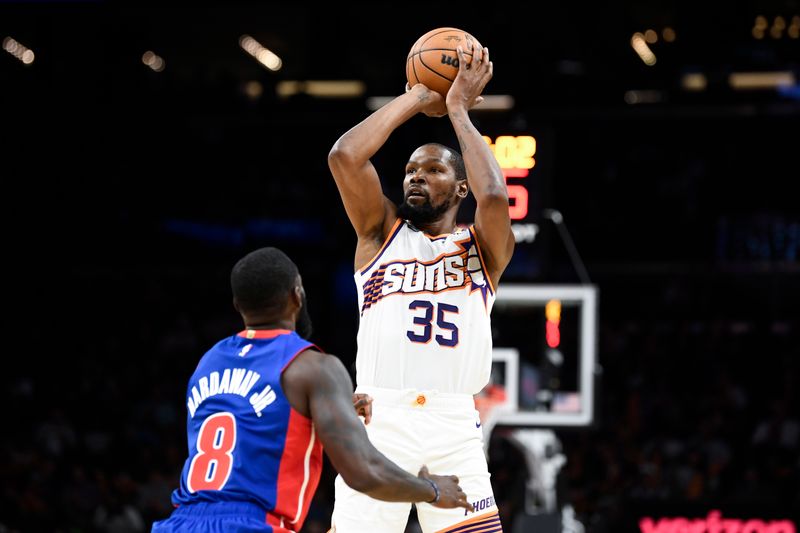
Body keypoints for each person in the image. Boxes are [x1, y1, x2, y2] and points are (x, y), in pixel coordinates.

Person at [151, 247, 473, 532]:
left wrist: (322, 407)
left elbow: (246, 419)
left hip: (180, 522)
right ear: (297, 295)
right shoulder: (314, 368)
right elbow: (363, 471)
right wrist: (431, 489)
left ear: (238, 305)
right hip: (254, 524)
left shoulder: (209, 361)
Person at [328, 41, 514, 533]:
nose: (416, 177)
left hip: (453, 422)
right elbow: (345, 155)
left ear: (459, 189)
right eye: (411, 169)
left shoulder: (482, 250)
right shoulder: (378, 234)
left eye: (433, 170)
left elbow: (494, 194)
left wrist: (456, 109)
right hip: (378, 417)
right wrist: (417, 95)